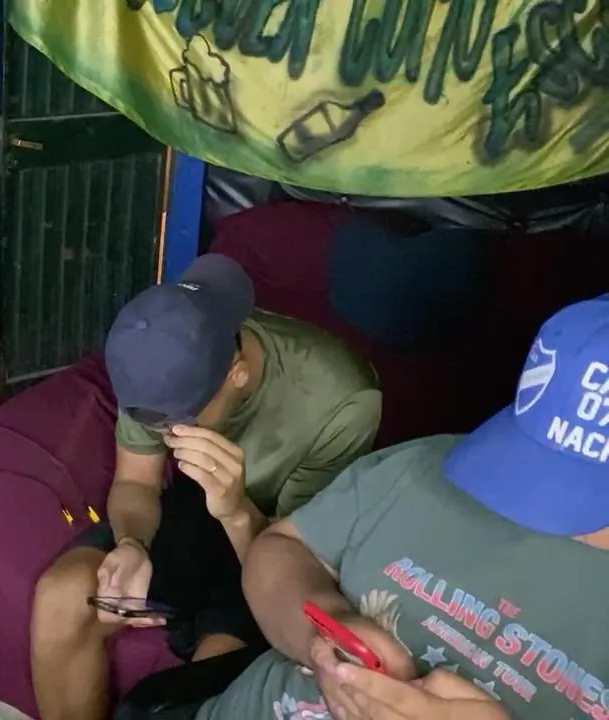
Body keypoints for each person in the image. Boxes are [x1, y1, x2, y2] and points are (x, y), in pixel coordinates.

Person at [161, 294, 609, 720]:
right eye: (532, 456)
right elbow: (281, 549)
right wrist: (323, 631)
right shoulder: (430, 465)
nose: (535, 496)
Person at [31, 253, 382, 720]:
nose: (164, 435)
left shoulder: (341, 401)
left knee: (204, 679)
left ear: (237, 374)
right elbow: (135, 481)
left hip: (280, 536)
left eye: (175, 423)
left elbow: (302, 563)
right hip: (194, 509)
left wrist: (236, 511)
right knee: (61, 595)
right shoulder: (155, 359)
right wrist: (133, 543)